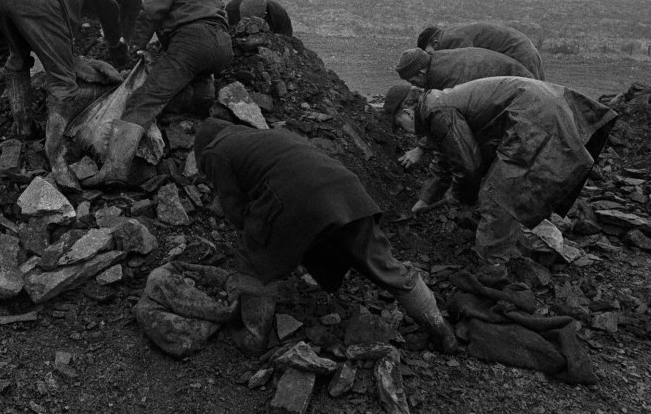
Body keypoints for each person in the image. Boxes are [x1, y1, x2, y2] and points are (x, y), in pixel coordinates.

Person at [193, 118, 457, 355]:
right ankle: (439, 328)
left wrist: (266, 245)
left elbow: (237, 213)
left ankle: (253, 336)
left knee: (252, 254)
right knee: (381, 263)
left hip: (297, 198)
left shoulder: (216, 152)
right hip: (347, 192)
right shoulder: (267, 137)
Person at [382, 77, 617, 264]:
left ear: (406, 112)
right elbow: (445, 157)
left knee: (497, 197)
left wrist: (459, 195)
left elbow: (467, 164)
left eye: (399, 125)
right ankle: (534, 240)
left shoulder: (438, 112)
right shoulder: (434, 106)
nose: (402, 131)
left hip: (535, 119)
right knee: (507, 188)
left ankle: (493, 265)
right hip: (537, 110)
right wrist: (426, 199)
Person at [85, 0, 233, 187]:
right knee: (187, 74)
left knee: (142, 102)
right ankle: (201, 96)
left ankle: (115, 170)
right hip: (223, 48)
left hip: (192, 42)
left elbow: (153, 9)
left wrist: (137, 46)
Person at [0, 0, 123, 188]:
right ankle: (56, 156)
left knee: (17, 60)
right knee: (62, 82)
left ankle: (23, 127)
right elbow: (106, 7)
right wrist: (115, 42)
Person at [393, 46, 536, 168]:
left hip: (524, 99)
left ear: (421, 72)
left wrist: (422, 149)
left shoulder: (448, 78)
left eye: (413, 80)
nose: (414, 85)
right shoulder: (437, 62)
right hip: (516, 88)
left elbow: (452, 127)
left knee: (504, 158)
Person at [417, 22, 545, 80]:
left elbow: (467, 72)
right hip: (524, 49)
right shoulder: (451, 34)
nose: (430, 58)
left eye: (429, 53)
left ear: (434, 43)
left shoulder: (451, 40)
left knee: (531, 99)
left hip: (517, 52)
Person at [225, 0, 293, 36]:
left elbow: (287, 39)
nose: (247, 24)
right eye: (244, 20)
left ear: (264, 15)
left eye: (251, 22)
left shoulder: (279, 16)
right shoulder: (231, 9)